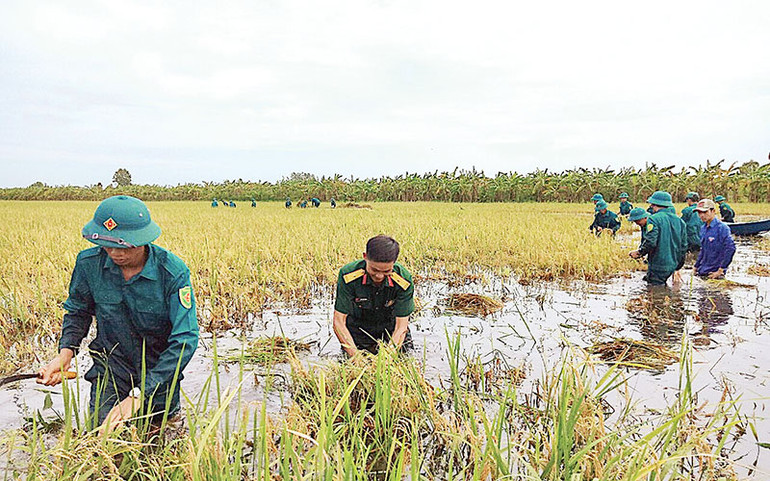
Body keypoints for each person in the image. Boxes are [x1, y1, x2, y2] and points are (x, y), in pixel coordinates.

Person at [37, 195, 199, 432]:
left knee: (160, 435)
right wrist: (65, 354)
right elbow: (78, 311)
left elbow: (185, 340)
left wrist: (139, 395)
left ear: (143, 240)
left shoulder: (172, 273)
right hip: (111, 367)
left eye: (123, 245)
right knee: (102, 434)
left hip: (159, 371)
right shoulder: (88, 265)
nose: (114, 253)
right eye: (107, 244)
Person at [333, 235, 415, 356]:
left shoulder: (403, 280)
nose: (379, 276)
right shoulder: (348, 276)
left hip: (391, 331)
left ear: (394, 263)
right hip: (359, 331)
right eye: (374, 270)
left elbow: (401, 327)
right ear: (365, 257)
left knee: (403, 363)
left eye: (386, 271)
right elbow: (339, 322)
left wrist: (388, 357)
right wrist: (355, 357)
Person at [629, 191, 687, 285]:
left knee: (655, 291)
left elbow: (651, 242)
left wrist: (640, 252)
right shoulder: (680, 221)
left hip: (659, 264)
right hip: (673, 263)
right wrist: (678, 266)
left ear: (653, 204)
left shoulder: (653, 219)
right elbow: (684, 246)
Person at [694, 199, 736, 278]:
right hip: (702, 271)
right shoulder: (703, 228)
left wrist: (721, 270)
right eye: (699, 212)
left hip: (714, 274)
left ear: (713, 211)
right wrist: (696, 266)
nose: (702, 215)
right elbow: (703, 250)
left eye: (705, 212)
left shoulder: (722, 228)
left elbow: (731, 249)